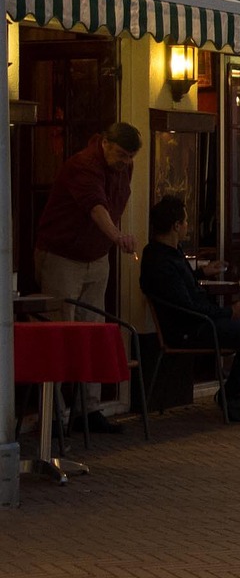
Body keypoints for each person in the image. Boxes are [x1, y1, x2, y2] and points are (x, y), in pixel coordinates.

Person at [140, 196, 240, 423]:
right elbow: (184, 306)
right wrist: (230, 312)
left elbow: (180, 286)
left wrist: (201, 273)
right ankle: (233, 395)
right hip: (191, 329)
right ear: (176, 226)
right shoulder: (159, 260)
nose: (188, 226)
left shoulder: (173, 252)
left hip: (204, 318)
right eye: (186, 221)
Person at [34, 121, 142, 434]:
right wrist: (118, 237)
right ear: (105, 142)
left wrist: (109, 243)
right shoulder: (82, 166)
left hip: (97, 258)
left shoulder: (123, 167)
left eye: (130, 157)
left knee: (92, 331)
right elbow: (96, 207)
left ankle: (88, 409)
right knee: (58, 332)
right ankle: (52, 413)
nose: (125, 162)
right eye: (121, 154)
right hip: (62, 257)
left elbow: (114, 204)